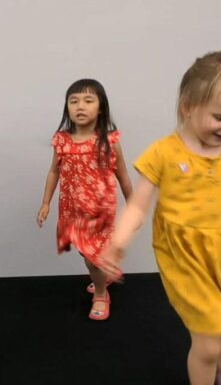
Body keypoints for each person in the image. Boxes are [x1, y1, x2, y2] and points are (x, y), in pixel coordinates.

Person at [99, 51, 221, 385]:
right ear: (187, 106)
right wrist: (117, 242)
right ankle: (211, 367)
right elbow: (137, 205)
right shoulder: (163, 153)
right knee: (207, 344)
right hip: (186, 257)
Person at [36, 79, 132, 320]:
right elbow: (54, 171)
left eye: (88, 101)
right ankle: (103, 274)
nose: (80, 106)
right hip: (72, 210)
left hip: (100, 211)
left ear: (100, 108)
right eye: (74, 101)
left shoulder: (109, 141)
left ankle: (101, 294)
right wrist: (46, 202)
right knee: (85, 253)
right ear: (67, 106)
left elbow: (122, 173)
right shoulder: (62, 141)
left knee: (93, 258)